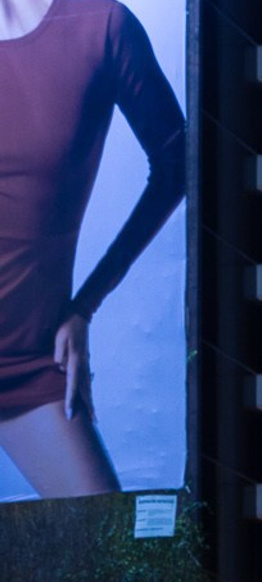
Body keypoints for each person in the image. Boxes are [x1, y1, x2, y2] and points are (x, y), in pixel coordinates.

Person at [0, 0, 185, 498]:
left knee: (106, 562)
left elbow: (177, 165)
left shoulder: (102, 26)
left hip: (29, 362)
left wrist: (86, 304)